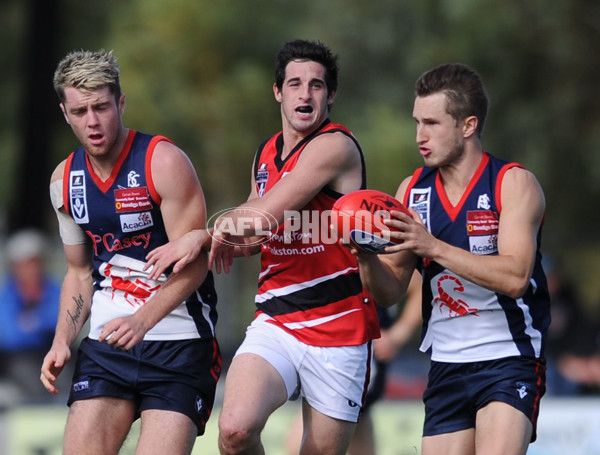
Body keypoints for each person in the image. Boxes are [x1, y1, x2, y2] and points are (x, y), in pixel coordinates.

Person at [146, 39, 380, 455]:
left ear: (331, 95)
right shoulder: (265, 153)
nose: (305, 94)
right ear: (278, 92)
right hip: (277, 320)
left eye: (316, 85)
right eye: (294, 84)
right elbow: (255, 236)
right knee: (235, 431)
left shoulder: (335, 146)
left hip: (339, 328)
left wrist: (203, 234)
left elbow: (264, 214)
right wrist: (222, 245)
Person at [354, 63, 551, 455]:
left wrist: (433, 246)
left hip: (508, 357)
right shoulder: (411, 191)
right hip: (445, 363)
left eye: (432, 123)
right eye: (416, 122)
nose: (419, 136)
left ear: (468, 125)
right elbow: (390, 291)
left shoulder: (512, 183)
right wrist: (365, 257)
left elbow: (515, 276)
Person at [39, 49, 221, 455]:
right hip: (108, 346)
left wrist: (142, 320)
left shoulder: (163, 162)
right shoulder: (64, 181)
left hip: (179, 342)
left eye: (101, 107)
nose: (93, 121)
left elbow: (197, 262)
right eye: (80, 111)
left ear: (120, 103)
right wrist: (63, 340)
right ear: (65, 114)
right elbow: (78, 272)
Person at [284, 271, 422, 455]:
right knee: (354, 417)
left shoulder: (375, 245)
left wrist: (398, 334)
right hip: (332, 344)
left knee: (323, 426)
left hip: (360, 349)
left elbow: (419, 285)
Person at [0, 229, 62, 401]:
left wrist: (32, 322)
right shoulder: (7, 295)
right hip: (20, 358)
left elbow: (68, 320)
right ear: (15, 267)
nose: (32, 269)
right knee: (31, 381)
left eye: (36, 262)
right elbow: (10, 336)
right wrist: (45, 323)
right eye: (26, 263)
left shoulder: (55, 289)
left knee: (67, 380)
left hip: (55, 356)